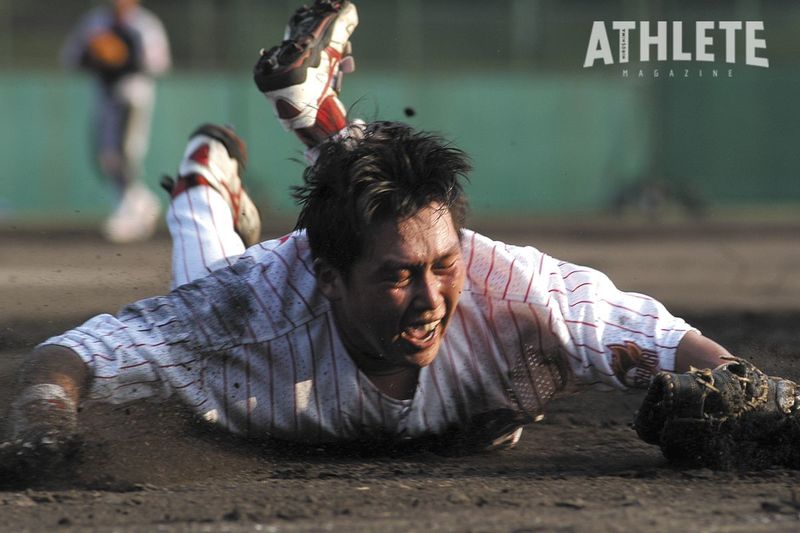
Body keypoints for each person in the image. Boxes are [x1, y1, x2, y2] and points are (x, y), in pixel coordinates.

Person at [3, 0, 731, 470]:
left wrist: (743, 392)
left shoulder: (517, 291)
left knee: (389, 215)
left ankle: (296, 123)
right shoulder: (248, 309)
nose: (431, 298)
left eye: (444, 265)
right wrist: (44, 420)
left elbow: (672, 344)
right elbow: (70, 354)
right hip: (250, 312)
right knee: (209, 294)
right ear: (324, 274)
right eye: (397, 277)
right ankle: (208, 176)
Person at [61, 0, 171, 243]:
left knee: (124, 154)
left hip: (133, 96)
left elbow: (159, 62)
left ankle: (129, 210)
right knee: (106, 157)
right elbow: (71, 57)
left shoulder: (145, 24)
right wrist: (94, 55)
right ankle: (140, 203)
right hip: (104, 98)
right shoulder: (96, 21)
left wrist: (123, 55)